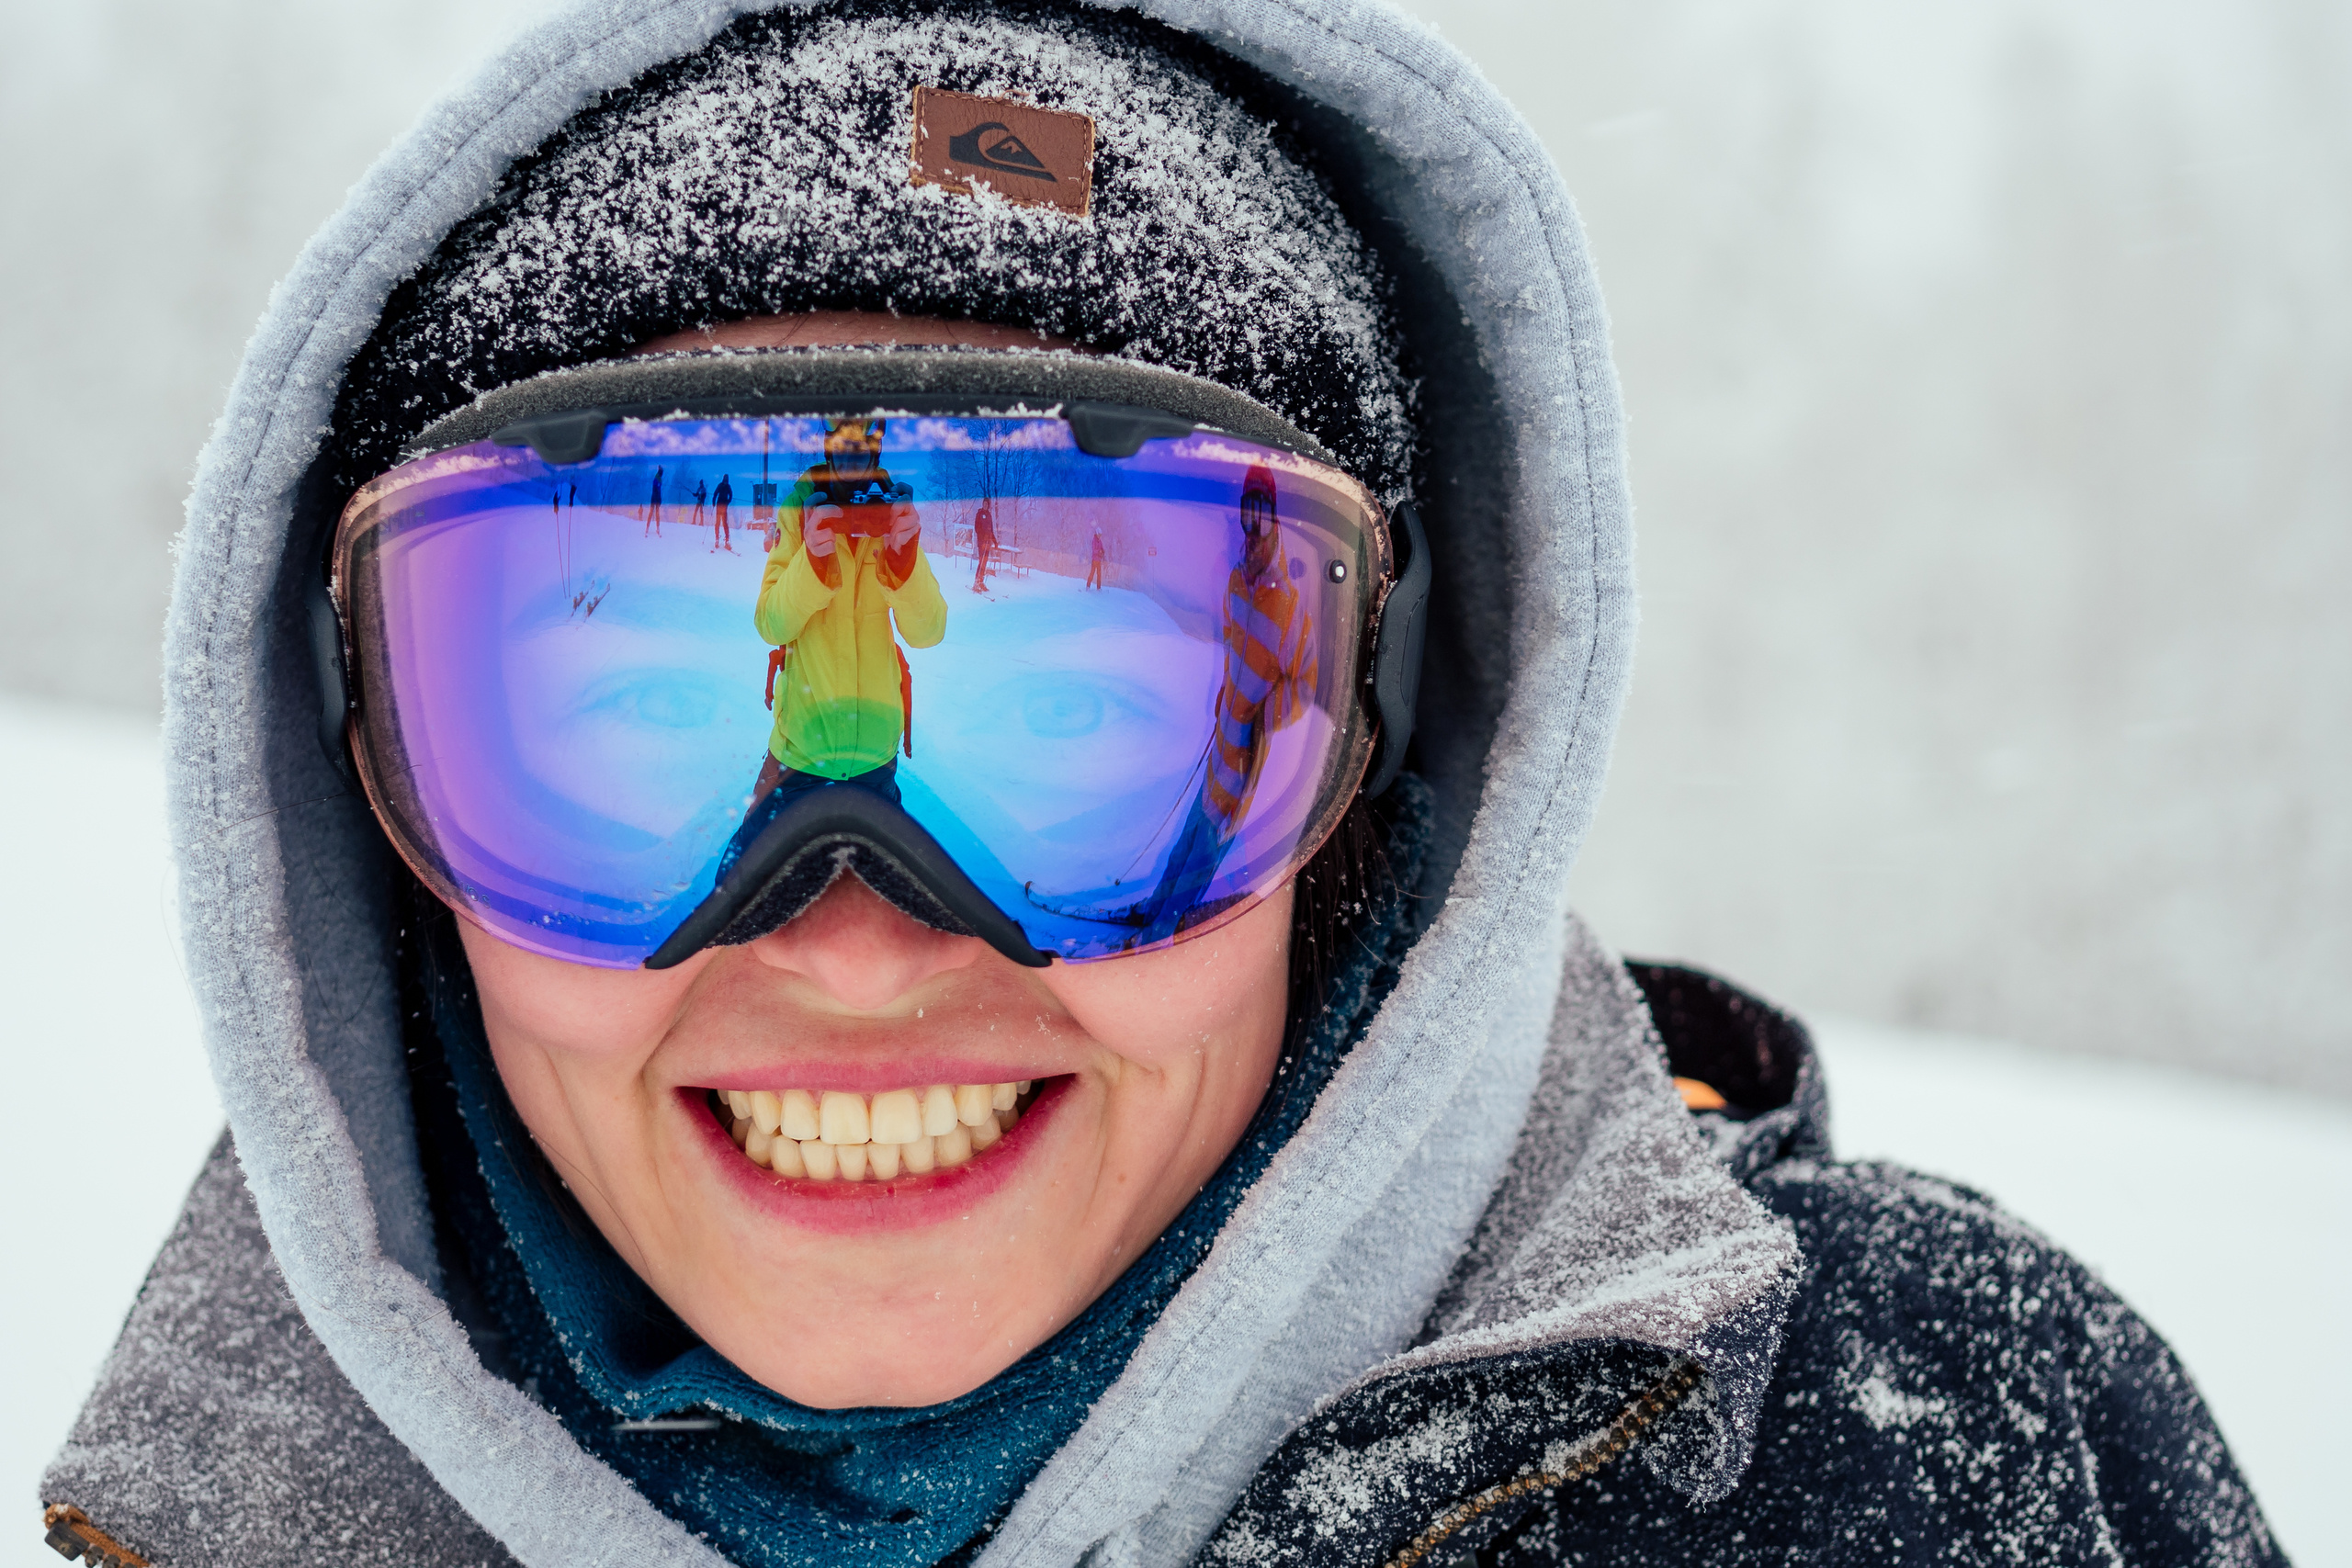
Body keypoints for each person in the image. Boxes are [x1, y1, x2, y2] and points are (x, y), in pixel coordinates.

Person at [42, 5, 2286, 1568]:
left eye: (1068, 723)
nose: (851, 930)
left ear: (1382, 783)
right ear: (366, 800)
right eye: (633, 728)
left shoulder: (1944, 1466)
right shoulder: (216, 1504)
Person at [970, 496, 997, 592]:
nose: (985, 505)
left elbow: (991, 530)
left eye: (987, 504)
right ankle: (976, 582)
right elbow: (977, 528)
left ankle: (981, 582)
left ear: (988, 505)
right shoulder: (979, 514)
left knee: (984, 563)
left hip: (988, 543)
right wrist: (983, 536)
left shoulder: (989, 515)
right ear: (983, 504)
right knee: (981, 562)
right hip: (982, 542)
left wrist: (994, 541)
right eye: (984, 504)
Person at [713, 471, 734, 550]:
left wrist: (714, 502)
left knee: (721, 523)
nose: (726, 481)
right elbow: (730, 495)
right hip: (721, 506)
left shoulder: (723, 485)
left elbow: (715, 494)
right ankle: (721, 539)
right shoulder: (726, 486)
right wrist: (728, 501)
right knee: (722, 523)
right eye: (725, 479)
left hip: (721, 506)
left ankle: (720, 539)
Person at [1085, 523, 1104, 589]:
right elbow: (1094, 550)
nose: (1100, 536)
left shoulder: (1100, 541)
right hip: (1094, 560)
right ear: (1097, 533)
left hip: (1099, 560)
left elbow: (1102, 548)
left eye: (1100, 535)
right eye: (1099, 534)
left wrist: (1102, 552)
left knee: (1099, 575)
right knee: (1092, 573)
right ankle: (1088, 586)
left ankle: (1098, 588)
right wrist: (1099, 552)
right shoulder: (1094, 541)